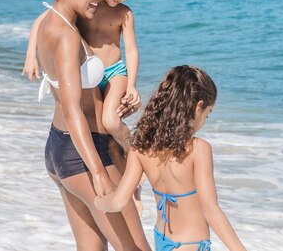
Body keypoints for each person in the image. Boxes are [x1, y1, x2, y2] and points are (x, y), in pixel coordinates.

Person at [35, 0, 150, 251]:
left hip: (61, 150)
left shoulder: (55, 23)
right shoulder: (67, 36)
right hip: (83, 155)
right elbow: (73, 111)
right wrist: (99, 172)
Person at [95, 66, 248, 251]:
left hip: (162, 241)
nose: (204, 121)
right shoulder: (199, 149)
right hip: (191, 246)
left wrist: (98, 202)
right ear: (198, 106)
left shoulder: (140, 150)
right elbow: (211, 210)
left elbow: (119, 201)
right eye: (207, 115)